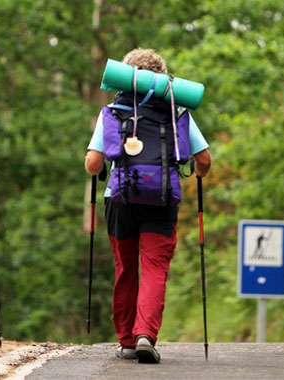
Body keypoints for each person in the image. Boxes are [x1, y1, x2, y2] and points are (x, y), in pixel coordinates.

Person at [84, 48, 212, 364]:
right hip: (162, 199)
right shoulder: (177, 112)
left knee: (126, 269)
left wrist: (102, 167)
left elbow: (93, 163)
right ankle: (145, 335)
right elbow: (205, 160)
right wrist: (195, 172)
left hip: (120, 198)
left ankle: (127, 340)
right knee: (154, 268)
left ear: (126, 78)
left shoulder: (113, 112)